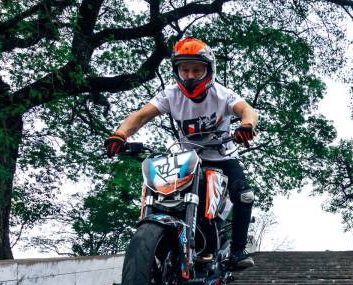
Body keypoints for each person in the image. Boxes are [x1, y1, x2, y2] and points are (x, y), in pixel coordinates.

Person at [104, 37, 258, 269]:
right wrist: (120, 135)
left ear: (209, 70)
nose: (190, 75)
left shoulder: (222, 94)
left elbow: (247, 110)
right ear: (177, 70)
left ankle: (237, 251)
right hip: (190, 159)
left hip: (223, 156)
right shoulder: (170, 95)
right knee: (167, 198)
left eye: (197, 70)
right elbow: (141, 116)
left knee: (245, 195)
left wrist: (246, 126)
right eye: (184, 69)